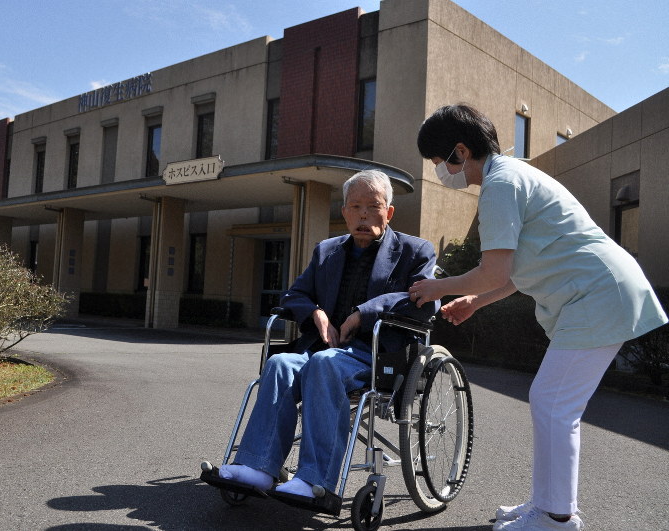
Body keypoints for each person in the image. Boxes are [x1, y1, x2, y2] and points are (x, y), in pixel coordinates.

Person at [410, 104, 668, 530]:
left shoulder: (500, 184)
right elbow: (513, 273)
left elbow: (495, 271)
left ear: (461, 151)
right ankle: (547, 505)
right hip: (598, 292)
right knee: (551, 402)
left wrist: (438, 287)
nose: (441, 171)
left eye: (440, 161)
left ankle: (556, 517)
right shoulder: (510, 176)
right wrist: (475, 301)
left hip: (597, 294)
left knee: (552, 403)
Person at [205, 169, 439, 513]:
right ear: (344, 212)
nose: (363, 215)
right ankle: (258, 467)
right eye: (355, 206)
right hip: (325, 349)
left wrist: (364, 313)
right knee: (280, 363)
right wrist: (316, 313)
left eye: (373, 206)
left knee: (323, 364)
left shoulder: (414, 250)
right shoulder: (327, 251)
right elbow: (294, 294)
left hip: (376, 353)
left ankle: (316, 480)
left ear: (389, 212)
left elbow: (425, 300)